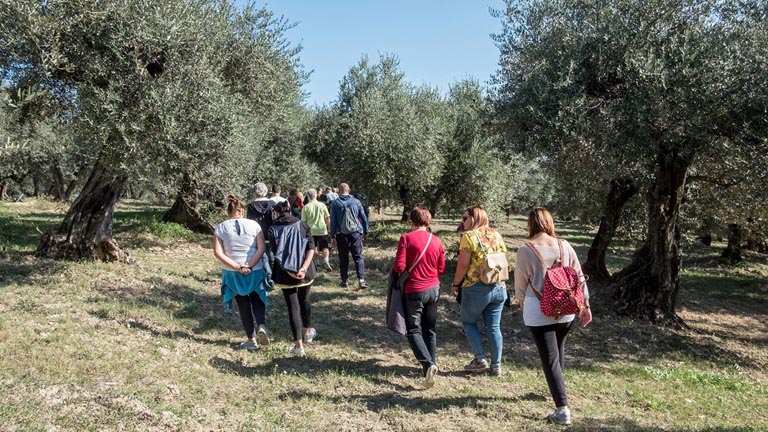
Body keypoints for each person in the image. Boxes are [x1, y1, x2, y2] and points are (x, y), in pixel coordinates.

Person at [514, 208, 591, 426]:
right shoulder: (564, 245)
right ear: (549, 223)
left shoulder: (525, 249)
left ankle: (562, 408)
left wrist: (520, 300)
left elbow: (520, 282)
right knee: (557, 353)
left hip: (538, 310)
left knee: (549, 357)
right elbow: (579, 277)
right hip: (566, 309)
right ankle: (558, 389)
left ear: (531, 224)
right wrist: (585, 304)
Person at [451, 206, 508, 376]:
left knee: (468, 322)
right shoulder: (496, 234)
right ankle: (496, 365)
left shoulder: (468, 237)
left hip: (476, 287)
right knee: (494, 327)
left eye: (465, 218)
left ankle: (479, 359)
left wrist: (455, 284)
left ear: (474, 219)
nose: (462, 222)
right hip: (498, 286)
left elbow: (462, 265)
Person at [393, 207, 446, 389]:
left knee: (413, 329)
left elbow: (400, 266)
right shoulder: (437, 241)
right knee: (429, 329)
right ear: (428, 221)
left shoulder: (406, 239)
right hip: (434, 289)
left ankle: (427, 364)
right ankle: (431, 366)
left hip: (414, 290)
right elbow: (441, 269)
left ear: (411, 221)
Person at [213, 195, 270, 351]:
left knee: (243, 304)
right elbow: (261, 248)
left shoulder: (220, 228)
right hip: (255, 269)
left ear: (228, 211)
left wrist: (237, 267)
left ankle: (251, 340)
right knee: (257, 299)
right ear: (241, 210)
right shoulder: (254, 225)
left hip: (232, 272)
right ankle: (262, 325)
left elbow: (218, 253)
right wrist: (249, 266)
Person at [269, 200, 318, 357]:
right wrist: (303, 268)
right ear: (290, 211)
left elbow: (277, 255)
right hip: (305, 272)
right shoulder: (302, 225)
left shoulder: (273, 229)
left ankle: (298, 346)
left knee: (293, 307)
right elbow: (311, 248)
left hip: (285, 275)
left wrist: (291, 272)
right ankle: (308, 331)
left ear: (276, 213)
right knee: (305, 299)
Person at [329, 182, 369, 289]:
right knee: (358, 256)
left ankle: (344, 281)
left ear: (339, 191)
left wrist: (332, 236)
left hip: (341, 234)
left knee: (343, 258)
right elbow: (364, 218)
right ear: (349, 190)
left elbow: (333, 222)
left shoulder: (335, 203)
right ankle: (361, 279)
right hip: (355, 233)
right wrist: (365, 232)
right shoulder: (356, 201)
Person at [246, 182, 275, 285]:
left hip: (257, 235)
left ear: (255, 192)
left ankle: (267, 277)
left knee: (262, 257)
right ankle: (273, 277)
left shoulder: (251, 206)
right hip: (271, 234)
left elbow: (249, 222)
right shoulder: (272, 204)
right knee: (271, 256)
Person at [301, 188, 333, 271]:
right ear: (316, 195)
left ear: (308, 196)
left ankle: (317, 263)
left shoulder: (306, 207)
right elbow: (328, 218)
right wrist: (329, 228)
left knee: (313, 248)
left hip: (311, 231)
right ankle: (326, 260)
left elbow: (303, 222)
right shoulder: (322, 205)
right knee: (325, 247)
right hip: (322, 229)